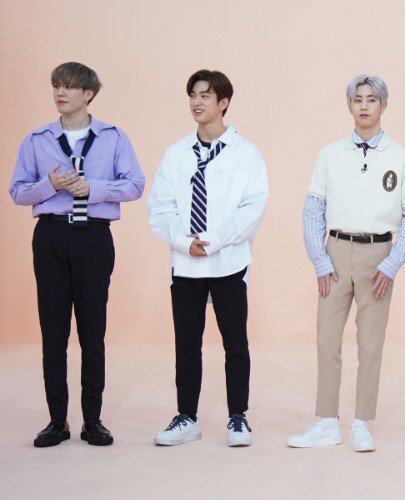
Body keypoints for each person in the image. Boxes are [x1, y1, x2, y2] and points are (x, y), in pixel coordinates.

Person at [9, 61, 145, 447]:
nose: (60, 93)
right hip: (50, 237)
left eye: (69, 86)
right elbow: (17, 191)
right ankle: (57, 421)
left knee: (92, 331)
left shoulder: (113, 138)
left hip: (93, 239)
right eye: (56, 85)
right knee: (53, 333)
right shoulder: (36, 139)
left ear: (88, 94)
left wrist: (93, 188)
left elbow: (135, 184)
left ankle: (92, 420)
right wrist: (49, 185)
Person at [287, 74, 405, 452]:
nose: (364, 106)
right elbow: (312, 211)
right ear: (349, 105)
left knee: (371, 342)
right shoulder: (330, 154)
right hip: (334, 252)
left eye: (372, 99)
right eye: (358, 99)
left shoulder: (401, 157)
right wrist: (319, 260)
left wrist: (392, 265)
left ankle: (362, 421)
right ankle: (326, 421)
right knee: (326, 339)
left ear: (384, 105)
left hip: (378, 256)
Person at [147, 69, 269, 447]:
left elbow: (252, 209)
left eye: (205, 96)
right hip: (185, 262)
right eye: (192, 95)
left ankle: (238, 417)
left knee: (235, 342)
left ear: (223, 103)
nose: (197, 102)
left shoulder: (246, 153)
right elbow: (160, 206)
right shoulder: (176, 153)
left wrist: (212, 241)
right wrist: (184, 242)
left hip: (228, 260)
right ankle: (187, 416)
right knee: (187, 343)